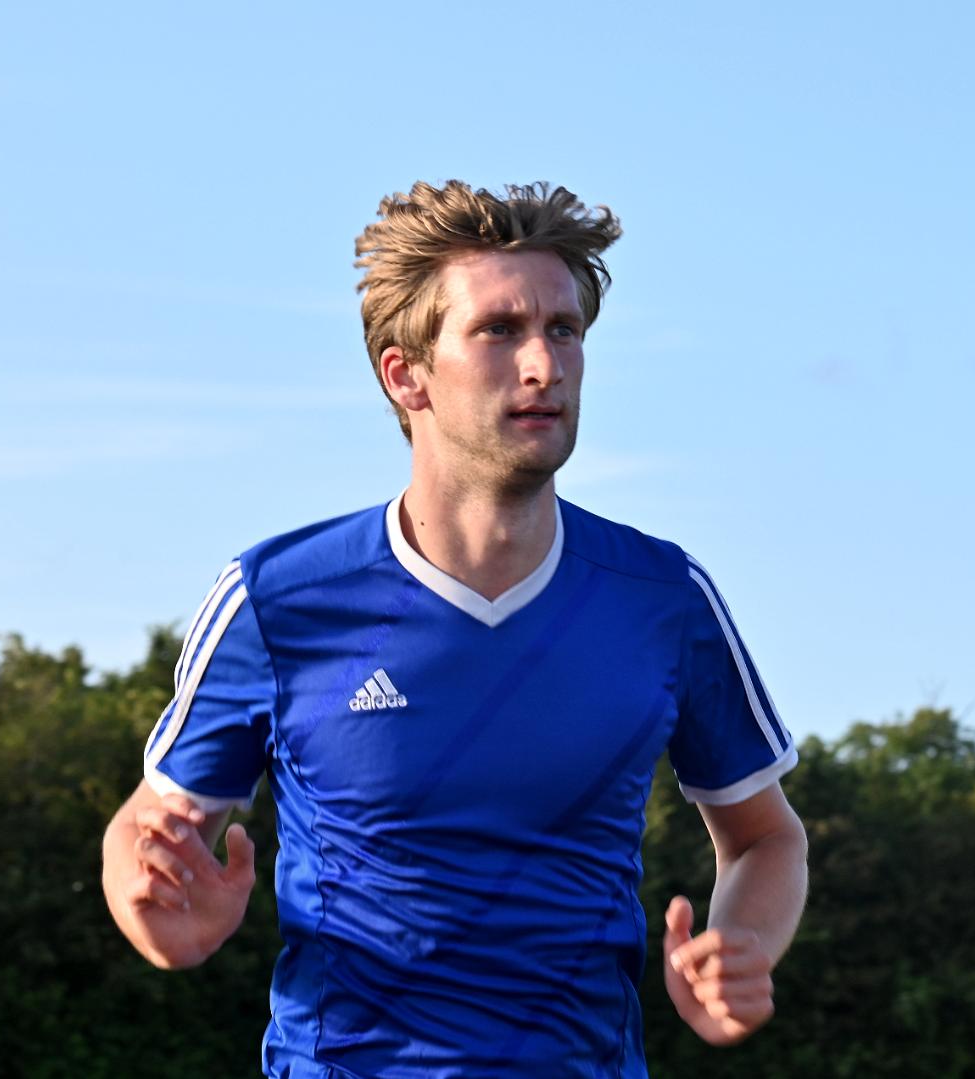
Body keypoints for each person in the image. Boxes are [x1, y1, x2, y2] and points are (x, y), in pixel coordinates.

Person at [100, 180, 808, 1077]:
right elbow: (150, 826)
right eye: (500, 330)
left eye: (564, 330)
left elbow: (766, 837)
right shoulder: (279, 598)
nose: (544, 364)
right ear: (406, 374)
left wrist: (740, 945)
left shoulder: (663, 598)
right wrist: (154, 913)